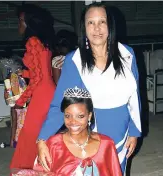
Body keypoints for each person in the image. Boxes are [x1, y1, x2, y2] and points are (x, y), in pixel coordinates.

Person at [37, 2, 141, 174]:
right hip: (93, 136)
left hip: (123, 132)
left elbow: (134, 98)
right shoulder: (74, 61)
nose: (97, 28)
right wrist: (42, 139)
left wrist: (134, 131)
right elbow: (59, 104)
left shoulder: (127, 55)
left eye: (102, 21)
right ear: (84, 28)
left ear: (110, 26)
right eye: (90, 22)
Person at [12, 87, 122, 175]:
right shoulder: (54, 144)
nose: (73, 122)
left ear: (89, 116)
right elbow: (40, 173)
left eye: (80, 116)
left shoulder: (106, 144)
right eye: (68, 116)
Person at [10, 3, 56, 169]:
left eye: (21, 20)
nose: (19, 24)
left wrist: (21, 100)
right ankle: (44, 167)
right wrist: (23, 74)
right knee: (43, 132)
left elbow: (37, 78)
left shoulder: (32, 41)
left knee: (30, 133)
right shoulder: (44, 42)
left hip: (41, 92)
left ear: (29, 22)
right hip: (48, 89)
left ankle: (30, 169)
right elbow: (41, 71)